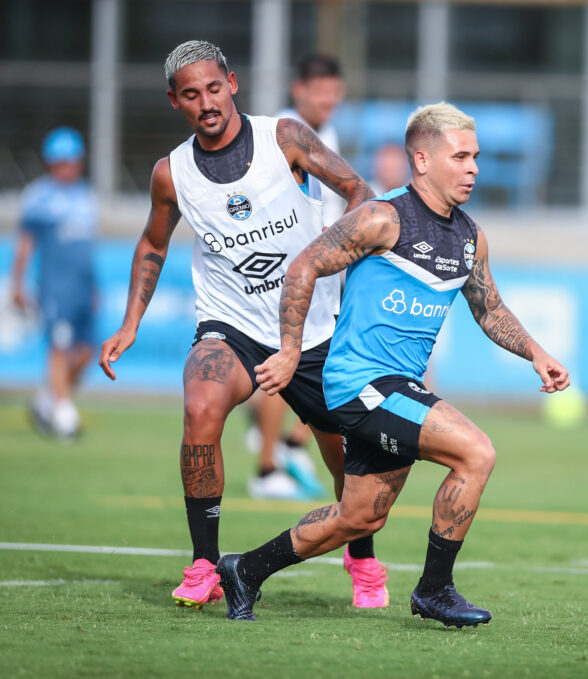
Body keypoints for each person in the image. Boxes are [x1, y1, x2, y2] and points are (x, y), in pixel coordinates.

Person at [216, 102, 571, 625]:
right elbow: (304, 265)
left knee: (359, 518)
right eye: (462, 156)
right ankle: (434, 590)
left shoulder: (469, 237)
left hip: (396, 389)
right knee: (476, 453)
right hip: (361, 384)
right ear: (422, 160)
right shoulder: (383, 217)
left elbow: (489, 308)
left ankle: (244, 570)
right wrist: (291, 350)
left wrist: (537, 354)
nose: (474, 167)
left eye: (476, 157)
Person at [97, 40, 390, 611]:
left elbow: (359, 191)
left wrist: (347, 256)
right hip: (229, 326)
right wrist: (131, 323)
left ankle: (362, 560)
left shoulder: (284, 138)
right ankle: (205, 564)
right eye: (190, 94)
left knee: (341, 454)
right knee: (200, 405)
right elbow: (153, 242)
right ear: (173, 101)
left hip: (311, 330)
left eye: (212, 88)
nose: (205, 102)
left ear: (232, 83)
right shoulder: (171, 174)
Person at [246, 53, 350, 501]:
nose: (327, 97)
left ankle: (291, 444)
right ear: (299, 90)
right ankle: (268, 466)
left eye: (333, 89)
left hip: (326, 268)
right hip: (291, 270)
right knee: (284, 361)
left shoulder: (328, 134)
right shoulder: (280, 134)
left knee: (320, 363)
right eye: (319, 89)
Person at [12, 127, 98, 440]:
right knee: (60, 346)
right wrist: (17, 284)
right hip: (54, 287)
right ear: (51, 163)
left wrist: (93, 287)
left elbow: (87, 250)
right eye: (61, 162)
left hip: (81, 289)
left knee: (88, 352)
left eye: (72, 161)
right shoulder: (38, 197)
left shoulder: (86, 196)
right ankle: (63, 412)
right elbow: (25, 243)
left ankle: (47, 400)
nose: (68, 167)